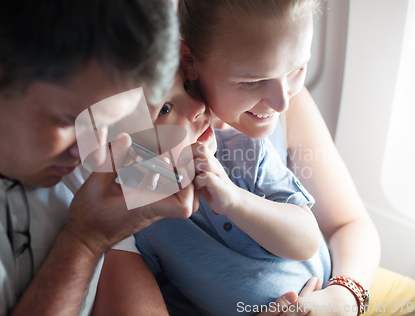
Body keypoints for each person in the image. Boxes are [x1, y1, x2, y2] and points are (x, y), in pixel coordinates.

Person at [96, 0, 415, 315]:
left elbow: (348, 224)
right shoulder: (137, 160)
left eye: (298, 69)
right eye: (252, 81)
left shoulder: (266, 130)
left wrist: (341, 299)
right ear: (190, 60)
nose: (282, 100)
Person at [0, 0, 200, 315]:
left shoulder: (72, 159)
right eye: (69, 121)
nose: (93, 152)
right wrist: (83, 244)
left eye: (116, 121)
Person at [94, 67, 328, 315]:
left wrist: (234, 200)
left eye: (187, 87)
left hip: (322, 296)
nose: (197, 106)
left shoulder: (245, 149)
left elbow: (308, 241)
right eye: (165, 108)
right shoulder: (145, 219)